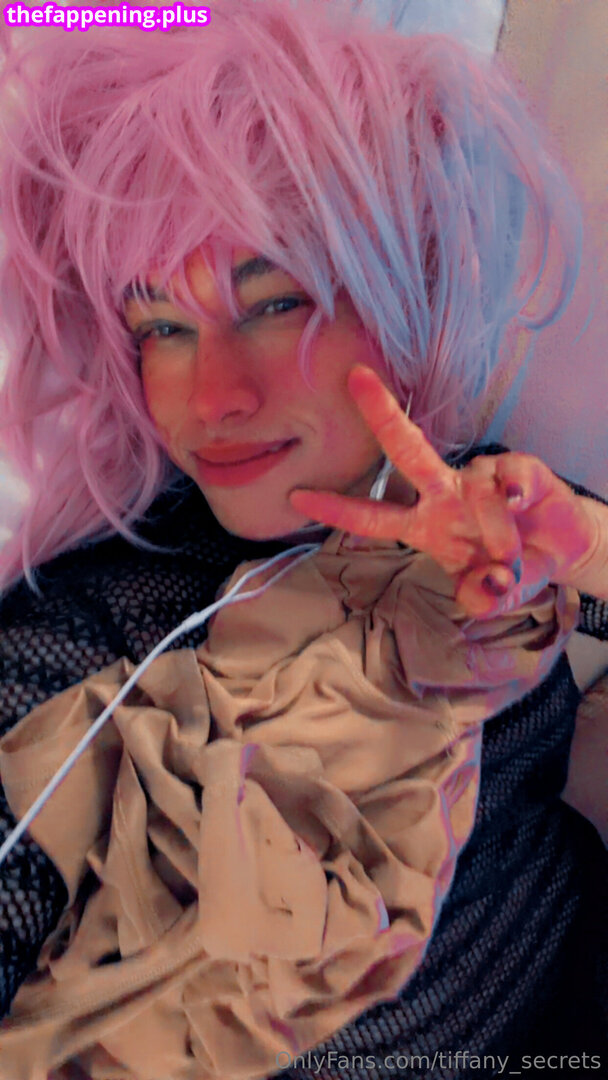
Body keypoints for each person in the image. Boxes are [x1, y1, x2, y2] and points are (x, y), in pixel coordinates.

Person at [0, 1, 606, 1077]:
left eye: (274, 304)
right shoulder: (104, 618)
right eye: (162, 327)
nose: (213, 397)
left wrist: (584, 553)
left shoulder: (488, 509)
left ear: (399, 299)